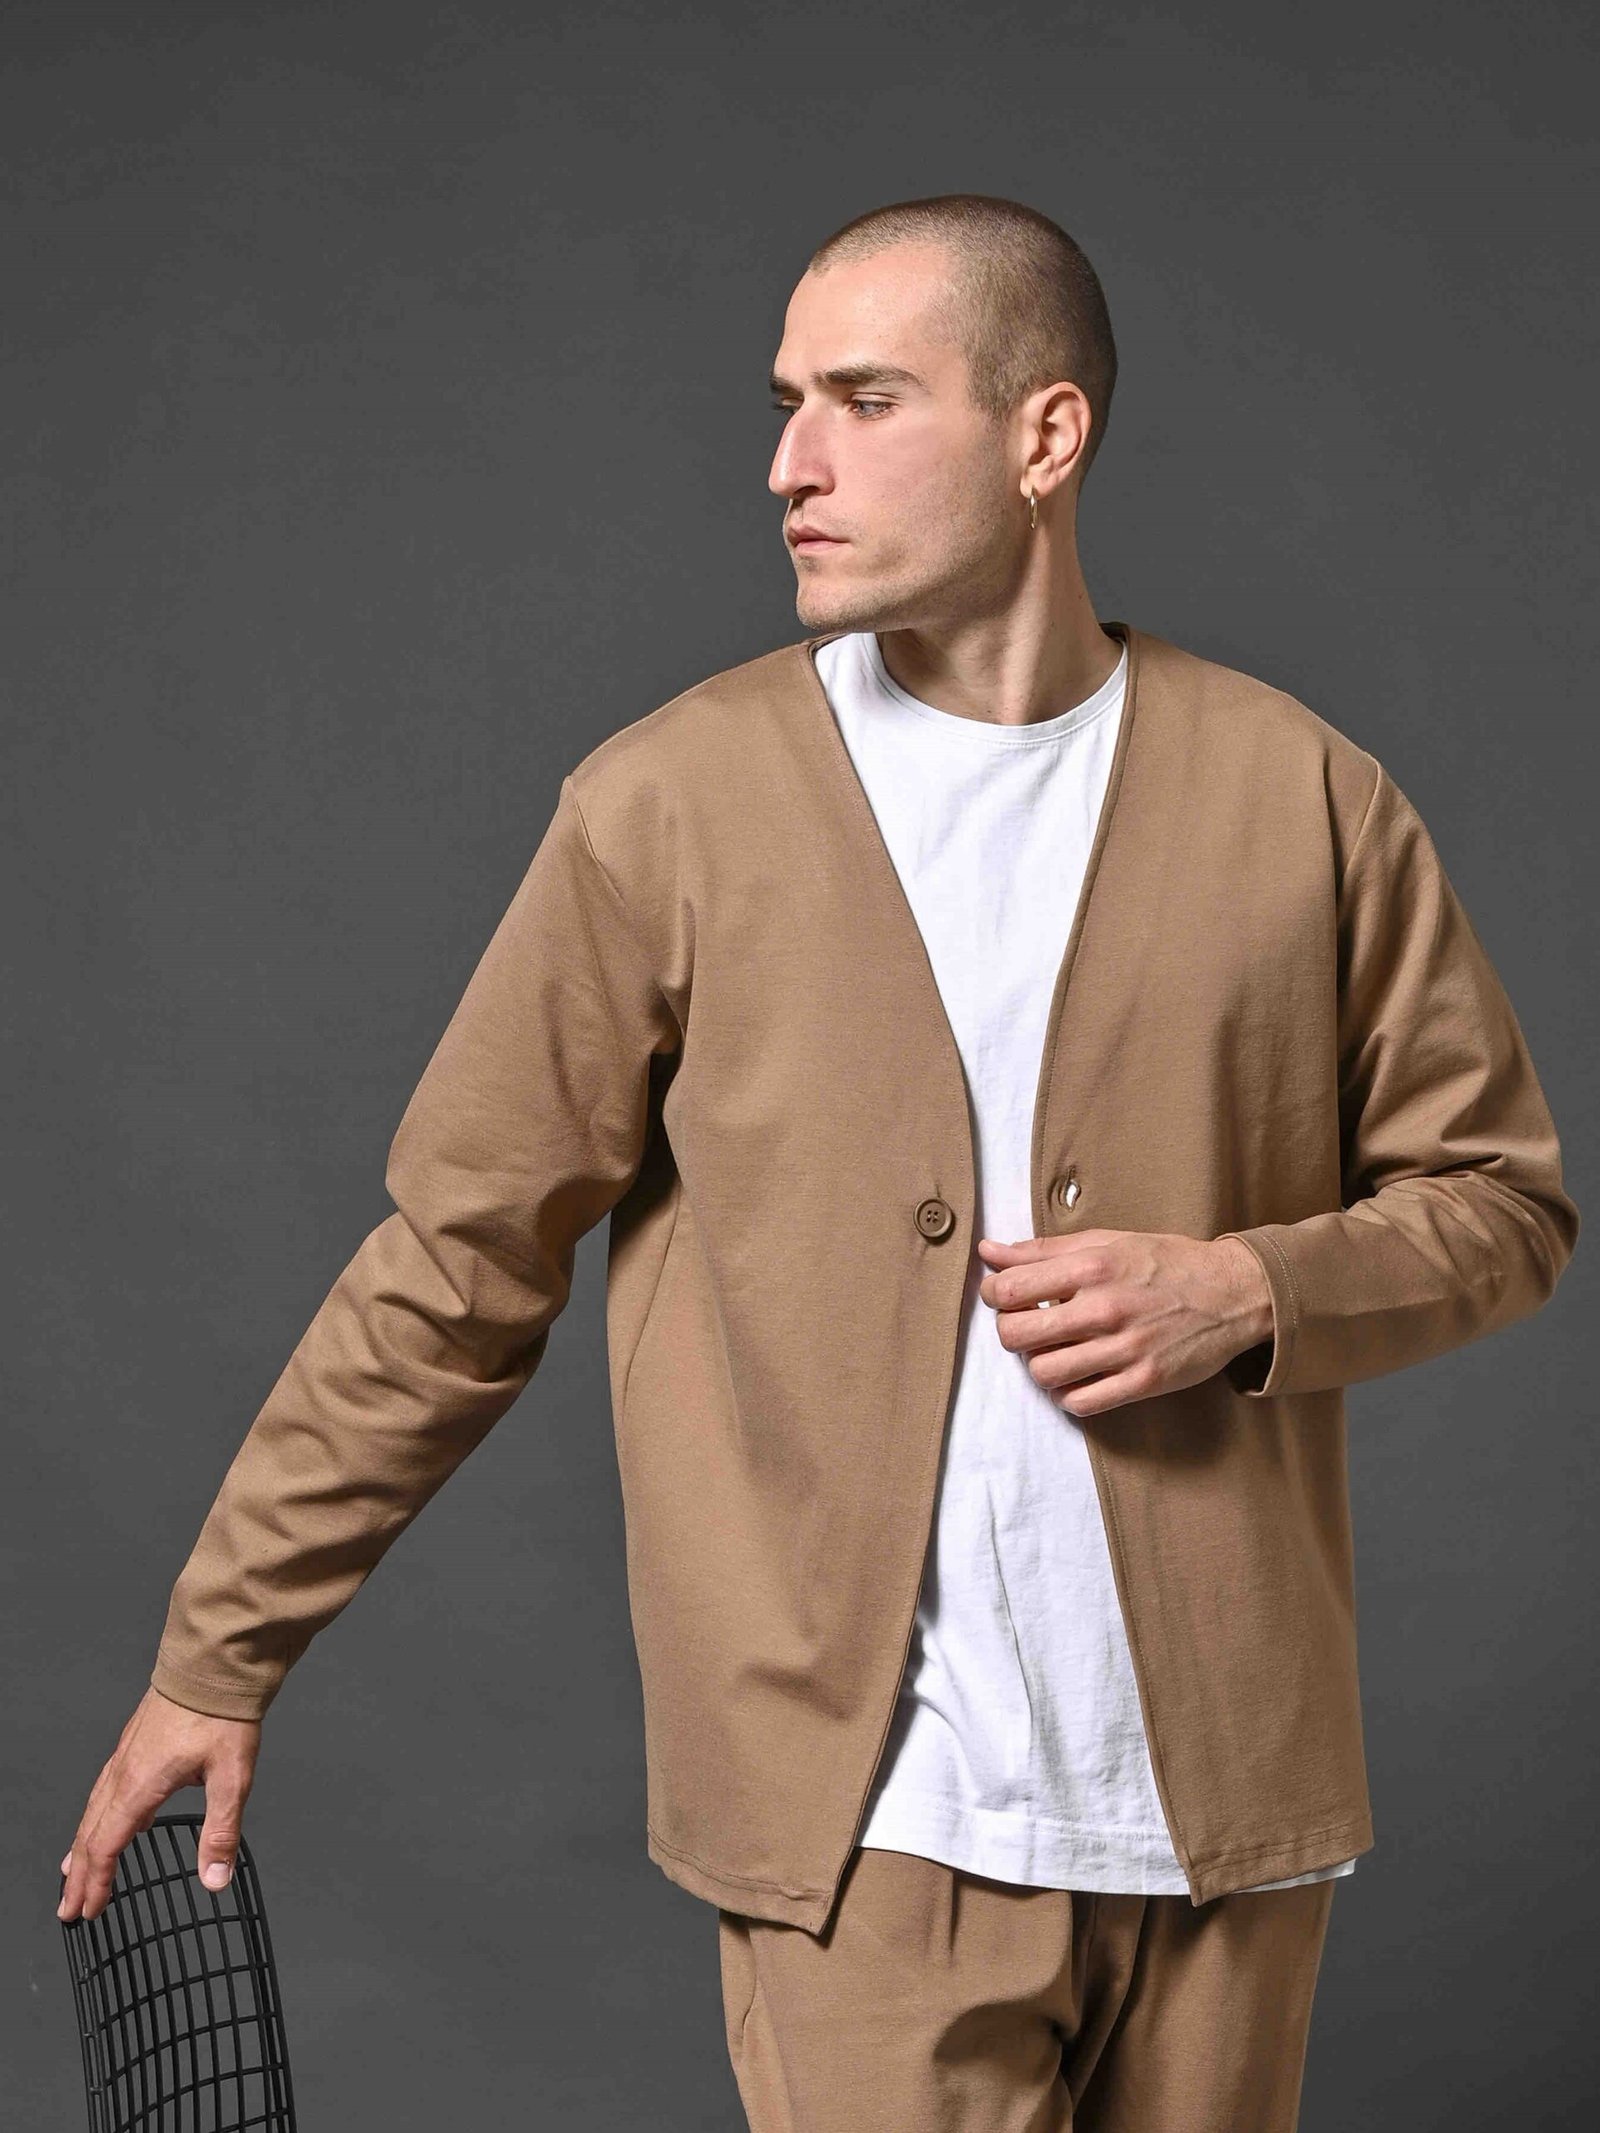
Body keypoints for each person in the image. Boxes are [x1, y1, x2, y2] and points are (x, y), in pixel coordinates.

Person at [58, 194, 1578, 2131]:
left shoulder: (1302, 794)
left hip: (1222, 1818)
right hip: (869, 1829)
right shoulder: (668, 808)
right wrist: (223, 1647)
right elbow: (455, 1265)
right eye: (785, 405)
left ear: (1044, 435)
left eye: (862, 400)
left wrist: (1249, 1288)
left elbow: (1501, 1201)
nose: (789, 462)